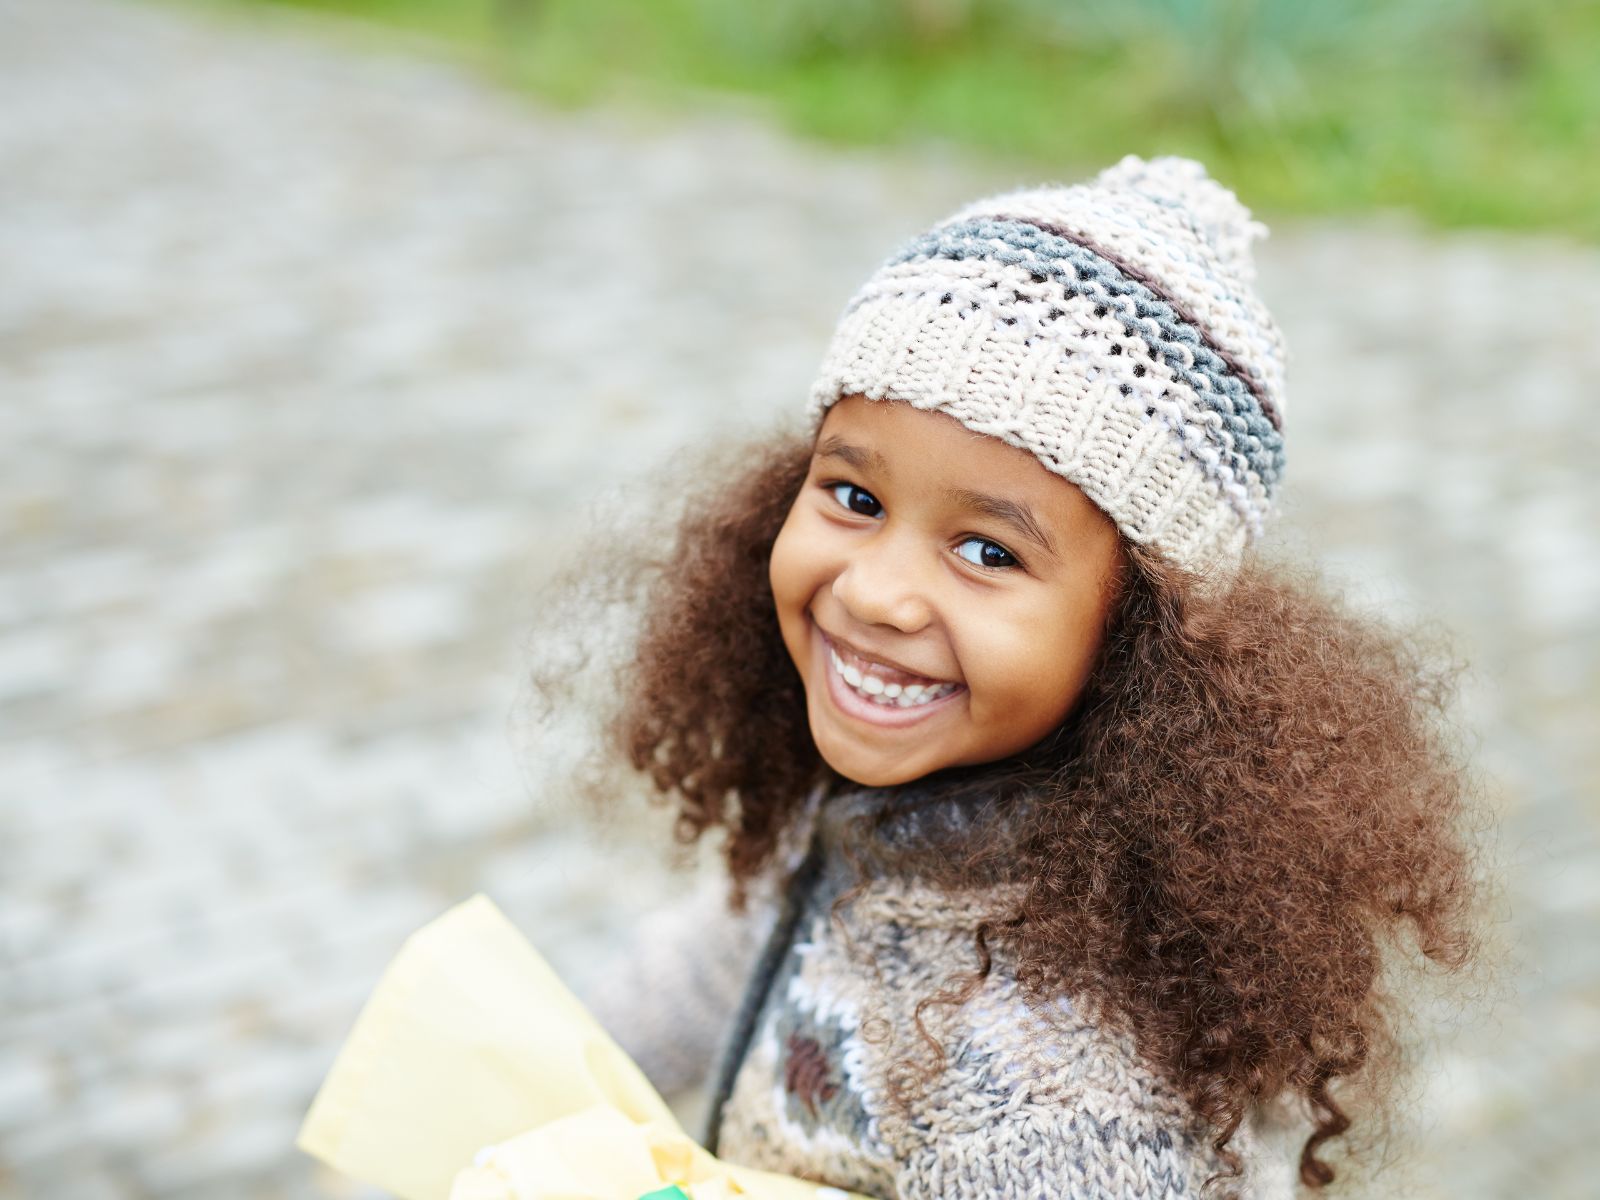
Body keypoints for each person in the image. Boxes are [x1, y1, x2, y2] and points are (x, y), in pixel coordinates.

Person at [539, 156, 1484, 1199]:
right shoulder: (886, 815)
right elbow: (728, 951)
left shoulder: (1057, 1090)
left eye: (988, 553)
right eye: (852, 495)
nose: (878, 593)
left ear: (1142, 642)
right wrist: (545, 1082)